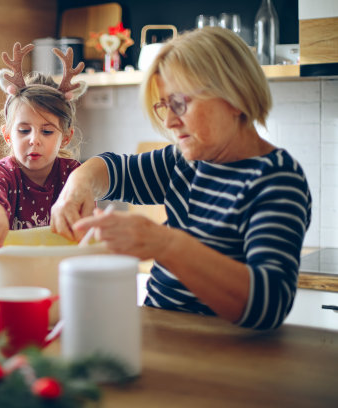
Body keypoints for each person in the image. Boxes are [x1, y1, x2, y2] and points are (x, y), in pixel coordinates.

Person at [50, 27, 312, 330]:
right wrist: (76, 187)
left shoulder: (276, 180)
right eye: (164, 107)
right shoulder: (186, 161)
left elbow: (267, 304)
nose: (171, 122)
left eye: (180, 103)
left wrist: (165, 244)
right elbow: (112, 169)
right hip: (161, 333)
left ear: (235, 96)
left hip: (226, 354)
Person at [0, 43, 88, 247]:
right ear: (7, 135)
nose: (34, 139)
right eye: (23, 130)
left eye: (47, 131)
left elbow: (85, 207)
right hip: (11, 274)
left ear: (65, 137)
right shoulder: (3, 173)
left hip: (57, 273)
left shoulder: (72, 173)